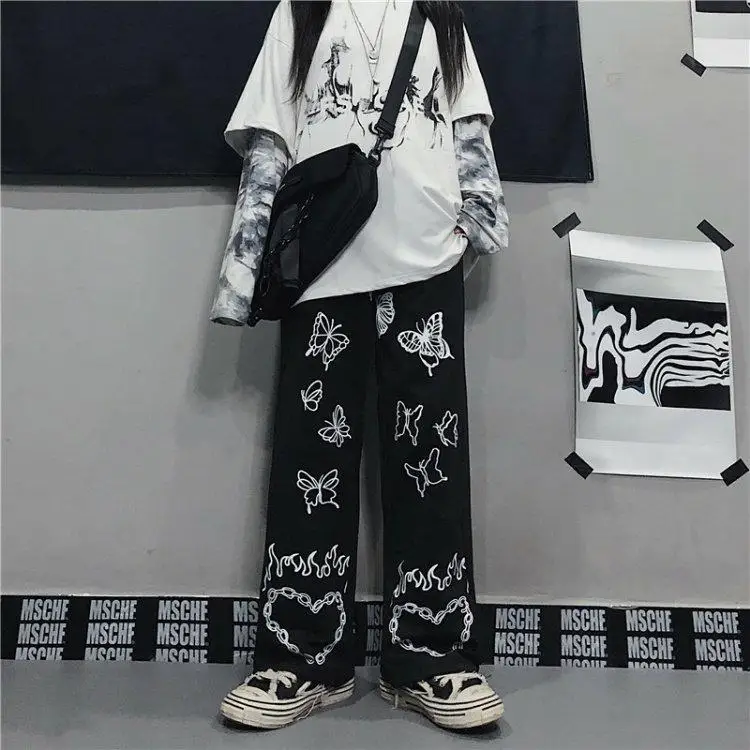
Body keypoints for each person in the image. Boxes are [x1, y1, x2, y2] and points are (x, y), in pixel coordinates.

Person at [211, 0, 508, 732]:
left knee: (431, 460)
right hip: (323, 269)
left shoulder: (441, 15)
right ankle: (303, 656)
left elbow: (470, 130)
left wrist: (474, 225)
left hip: (425, 264)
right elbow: (270, 139)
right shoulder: (301, 13)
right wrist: (242, 272)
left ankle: (433, 656)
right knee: (310, 458)